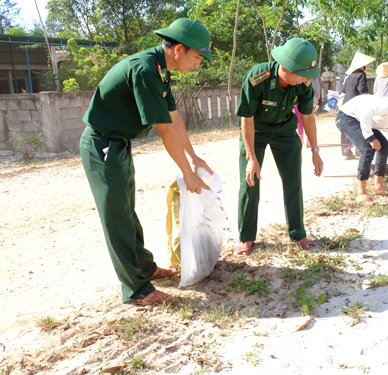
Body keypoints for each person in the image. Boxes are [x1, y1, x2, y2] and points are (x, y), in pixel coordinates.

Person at [79, 18, 214, 305]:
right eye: (198, 57)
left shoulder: (160, 69)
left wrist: (194, 156)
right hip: (102, 145)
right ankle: (136, 290)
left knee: (127, 211)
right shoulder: (146, 70)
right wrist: (187, 173)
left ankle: (144, 268)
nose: (198, 63)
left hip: (117, 145)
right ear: (179, 49)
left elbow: (174, 118)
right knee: (117, 218)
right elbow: (163, 130)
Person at [236, 38, 324, 256]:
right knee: (250, 182)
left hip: (285, 130)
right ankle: (246, 237)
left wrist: (315, 151)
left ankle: (298, 233)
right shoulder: (257, 79)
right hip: (255, 131)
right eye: (302, 74)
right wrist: (251, 157)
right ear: (284, 68)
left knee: (293, 181)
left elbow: (308, 117)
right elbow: (246, 120)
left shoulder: (302, 83)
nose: (306, 79)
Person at [340, 52, 375, 159]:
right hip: (356, 106)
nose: (367, 65)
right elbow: (363, 92)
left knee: (346, 128)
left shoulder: (349, 76)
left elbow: (343, 91)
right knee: (360, 127)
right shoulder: (362, 75)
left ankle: (346, 152)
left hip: (346, 105)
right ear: (362, 65)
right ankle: (359, 150)